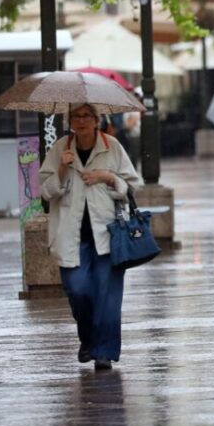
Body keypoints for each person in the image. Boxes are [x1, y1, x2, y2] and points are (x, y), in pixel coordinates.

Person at [39, 103, 141, 370]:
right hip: (71, 235)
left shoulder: (112, 146)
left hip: (108, 233)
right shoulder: (61, 147)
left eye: (86, 116)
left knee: (108, 296)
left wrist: (108, 177)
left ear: (97, 120)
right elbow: (46, 191)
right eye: (76, 116)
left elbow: (132, 183)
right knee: (78, 289)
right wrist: (62, 169)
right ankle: (87, 338)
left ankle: (104, 352)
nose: (81, 120)